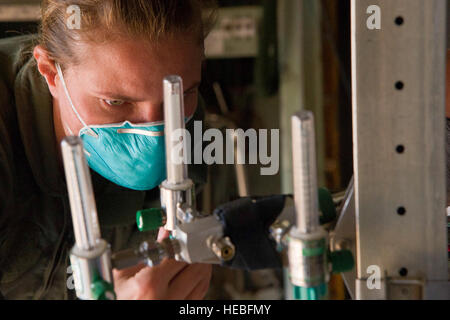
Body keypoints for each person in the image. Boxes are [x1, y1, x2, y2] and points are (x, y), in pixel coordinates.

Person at [0, 0, 214, 300]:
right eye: (115, 102)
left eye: (183, 94)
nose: (154, 133)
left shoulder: (184, 119)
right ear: (50, 73)